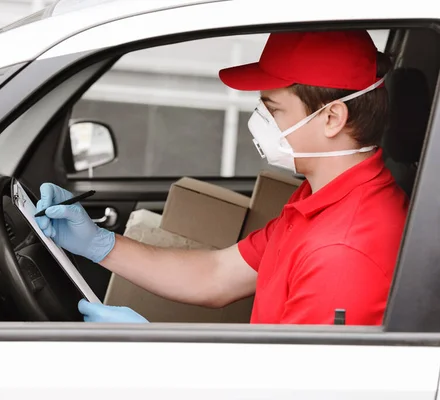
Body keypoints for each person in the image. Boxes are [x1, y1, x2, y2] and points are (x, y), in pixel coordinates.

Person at [35, 30, 409, 325]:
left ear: (332, 118)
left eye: (272, 109)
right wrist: (102, 244)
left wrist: (148, 356)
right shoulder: (325, 201)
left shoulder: (343, 252)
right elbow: (216, 276)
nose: (259, 121)